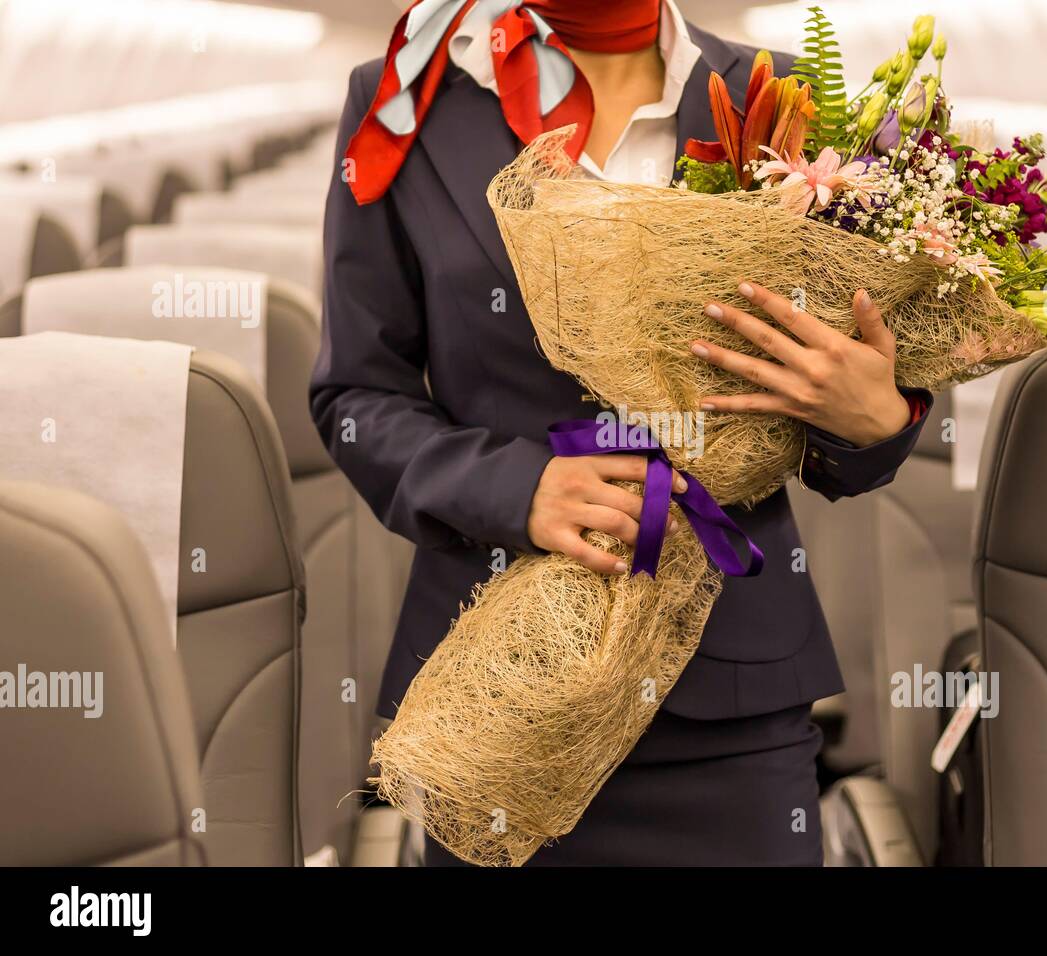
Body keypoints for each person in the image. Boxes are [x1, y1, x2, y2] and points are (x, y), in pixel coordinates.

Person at [310, 0, 932, 866]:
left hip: (732, 690)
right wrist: (516, 488)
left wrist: (875, 421)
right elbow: (354, 395)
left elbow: (849, 424)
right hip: (503, 694)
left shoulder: (781, 93)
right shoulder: (404, 98)